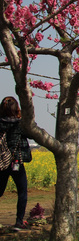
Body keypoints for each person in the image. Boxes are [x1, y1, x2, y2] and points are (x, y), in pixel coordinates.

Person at [0, 96, 33, 231]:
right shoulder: (20, 124)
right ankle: (19, 221)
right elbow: (31, 134)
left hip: (1, 162)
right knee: (22, 192)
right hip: (16, 161)